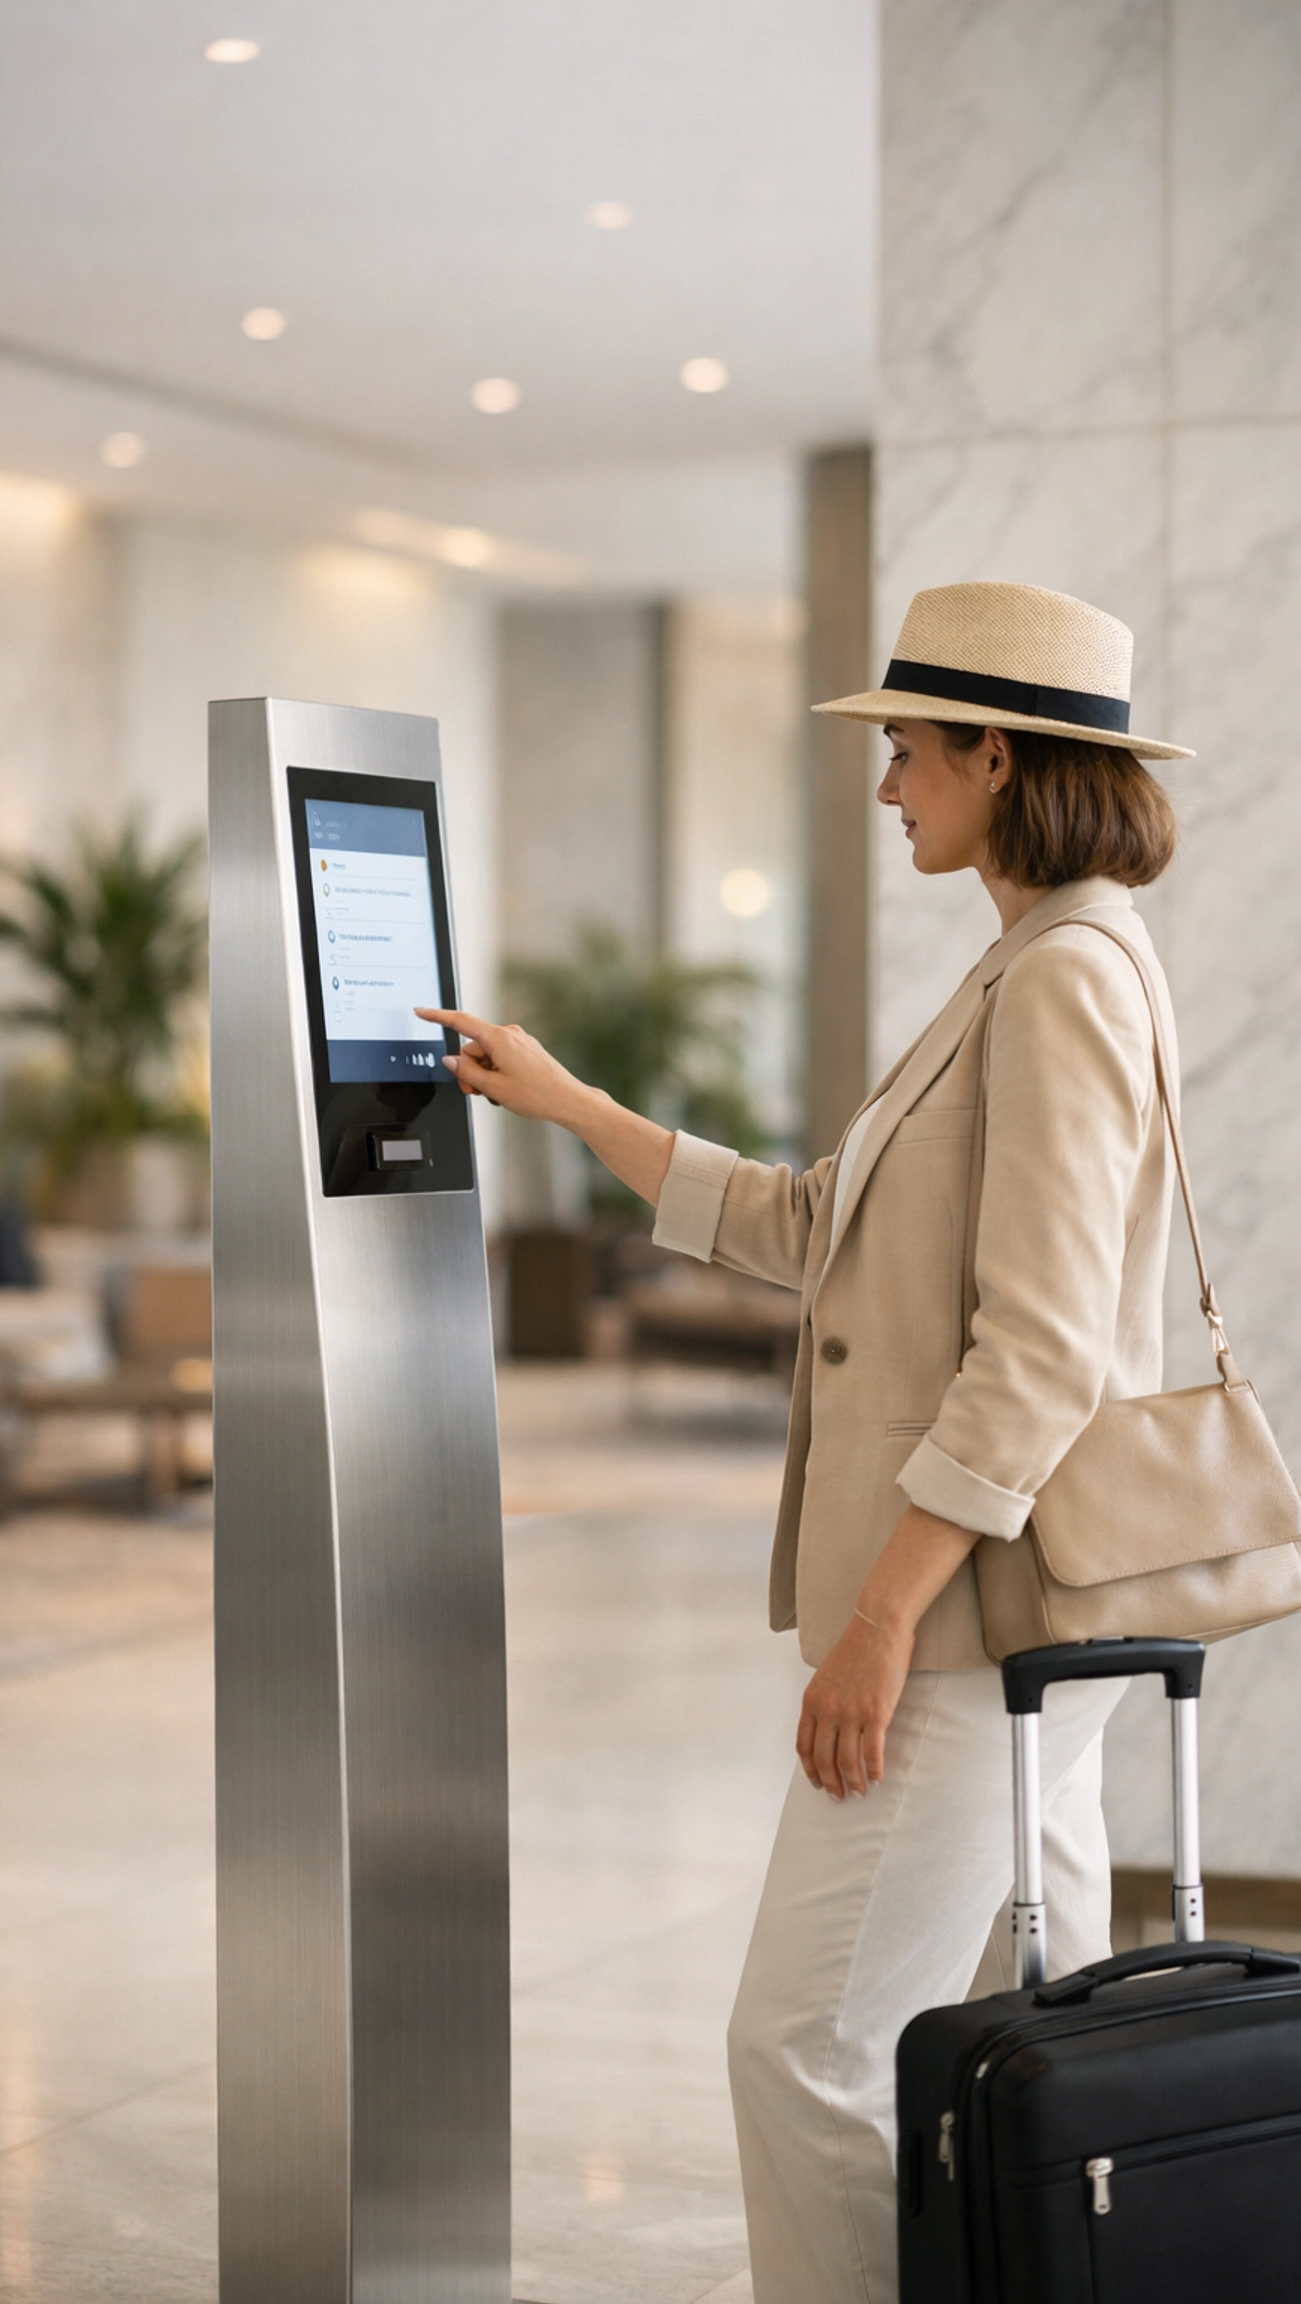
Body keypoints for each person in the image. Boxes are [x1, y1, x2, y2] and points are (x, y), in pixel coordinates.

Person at [419, 580, 1193, 2304]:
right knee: (998, 2046)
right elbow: (813, 1223)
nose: (887, 784)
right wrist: (569, 1103)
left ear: (999, 755)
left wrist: (881, 1615)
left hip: (971, 1619)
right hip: (1027, 1626)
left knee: (807, 2050)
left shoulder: (1061, 976)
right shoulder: (1035, 959)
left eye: (909, 750)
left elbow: (1046, 1345)